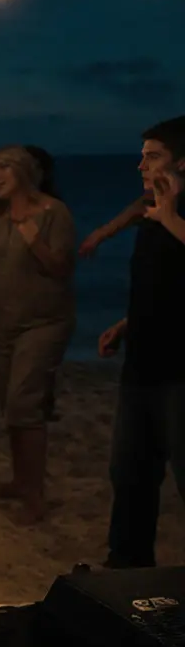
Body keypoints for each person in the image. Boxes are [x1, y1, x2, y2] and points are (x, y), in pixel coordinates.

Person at [98, 115, 185, 569]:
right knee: (130, 476)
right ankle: (127, 573)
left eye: (152, 157)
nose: (140, 166)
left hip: (180, 374)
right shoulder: (155, 214)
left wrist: (170, 217)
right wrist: (126, 324)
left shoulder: (169, 215)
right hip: (141, 367)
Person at [0, 145, 76, 524]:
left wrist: (32, 236)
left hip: (44, 324)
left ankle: (35, 496)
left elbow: (62, 267)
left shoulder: (54, 213)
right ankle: (20, 482)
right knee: (10, 406)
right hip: (5, 325)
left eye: (2, 167)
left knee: (24, 404)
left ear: (23, 171)